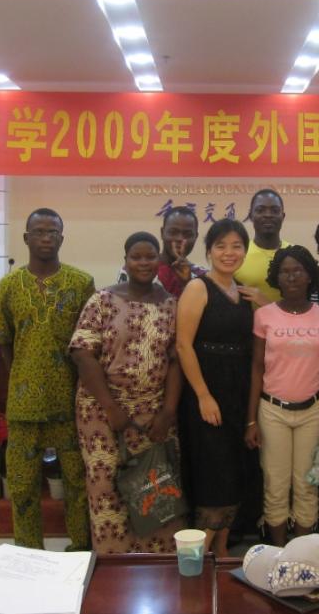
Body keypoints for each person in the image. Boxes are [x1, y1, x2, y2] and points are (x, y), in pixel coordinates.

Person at [69, 232, 184, 553]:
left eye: (150, 257)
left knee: (154, 484)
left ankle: (156, 562)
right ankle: (113, 562)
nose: (144, 263)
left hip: (154, 412)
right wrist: (111, 408)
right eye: (136, 257)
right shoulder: (102, 300)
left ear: (159, 261)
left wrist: (168, 412)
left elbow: (177, 360)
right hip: (101, 411)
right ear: (125, 261)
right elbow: (82, 353)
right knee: (106, 485)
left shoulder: (171, 304)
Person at [0, 207, 94, 551]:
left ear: (62, 238)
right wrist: (24, 378)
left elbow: (90, 343)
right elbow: (4, 342)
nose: (46, 238)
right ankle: (28, 552)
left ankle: (80, 548)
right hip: (24, 406)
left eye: (53, 232)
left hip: (70, 403)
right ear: (26, 238)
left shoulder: (81, 283)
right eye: (39, 232)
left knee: (77, 483)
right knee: (22, 486)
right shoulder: (8, 286)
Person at [245, 245, 319, 546]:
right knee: (275, 485)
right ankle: (278, 552)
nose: (292, 276)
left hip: (313, 411)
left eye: (298, 270)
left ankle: (301, 552)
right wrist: (251, 421)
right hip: (272, 410)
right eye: (285, 271)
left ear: (309, 275)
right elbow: (257, 368)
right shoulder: (264, 316)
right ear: (276, 277)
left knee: (307, 485)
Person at [175, 218, 254, 557]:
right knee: (214, 473)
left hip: (237, 391)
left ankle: (220, 553)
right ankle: (195, 558)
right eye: (221, 246)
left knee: (233, 471)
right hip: (207, 392)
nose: (229, 253)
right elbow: (183, 345)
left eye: (236, 246)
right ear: (208, 251)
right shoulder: (198, 288)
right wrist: (203, 395)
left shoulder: (244, 291)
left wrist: (263, 300)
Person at [235, 188, 288, 305]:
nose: (268, 215)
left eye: (275, 210)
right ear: (250, 216)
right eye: (260, 210)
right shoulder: (237, 254)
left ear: (283, 216)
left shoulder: (295, 255)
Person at [157, 206, 207, 298]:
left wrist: (188, 283)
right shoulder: (142, 270)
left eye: (187, 234)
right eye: (173, 232)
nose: (180, 239)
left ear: (196, 237)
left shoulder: (202, 277)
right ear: (162, 233)